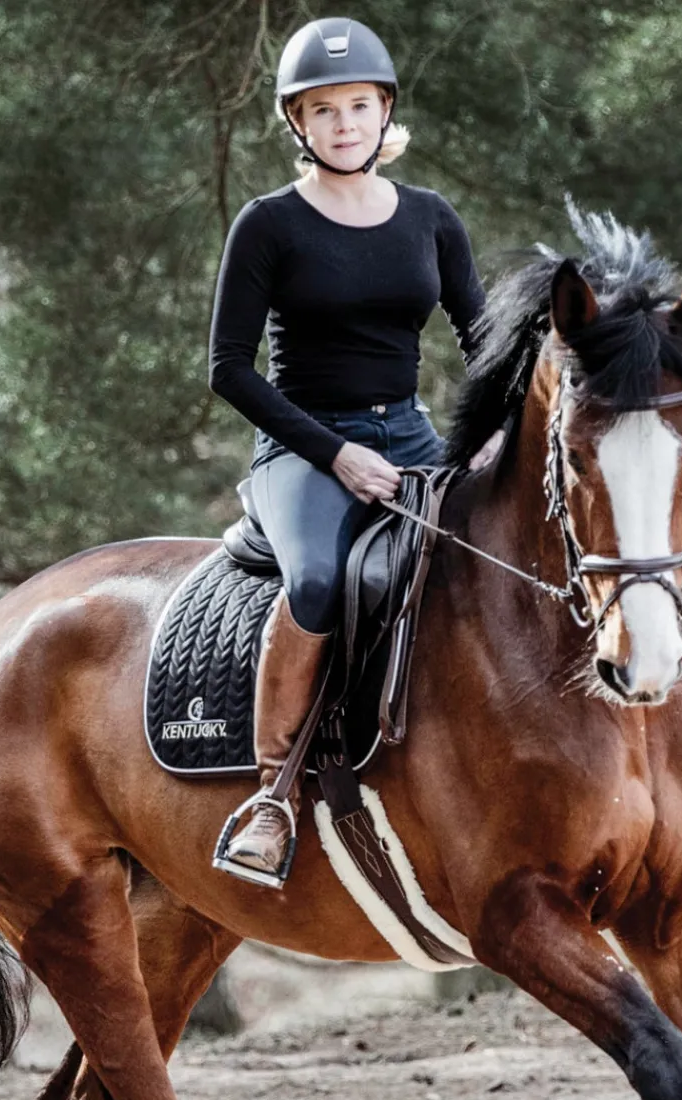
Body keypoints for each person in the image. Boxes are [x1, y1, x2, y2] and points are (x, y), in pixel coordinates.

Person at [207, 16, 492, 884]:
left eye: (358, 106)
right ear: (299, 124)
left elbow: (485, 340)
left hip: (408, 434)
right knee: (322, 582)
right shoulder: (268, 226)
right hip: (301, 445)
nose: (343, 124)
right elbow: (228, 368)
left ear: (385, 113)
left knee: (486, 563)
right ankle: (269, 793)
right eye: (323, 110)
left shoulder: (432, 221)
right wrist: (333, 455)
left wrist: (489, 440)